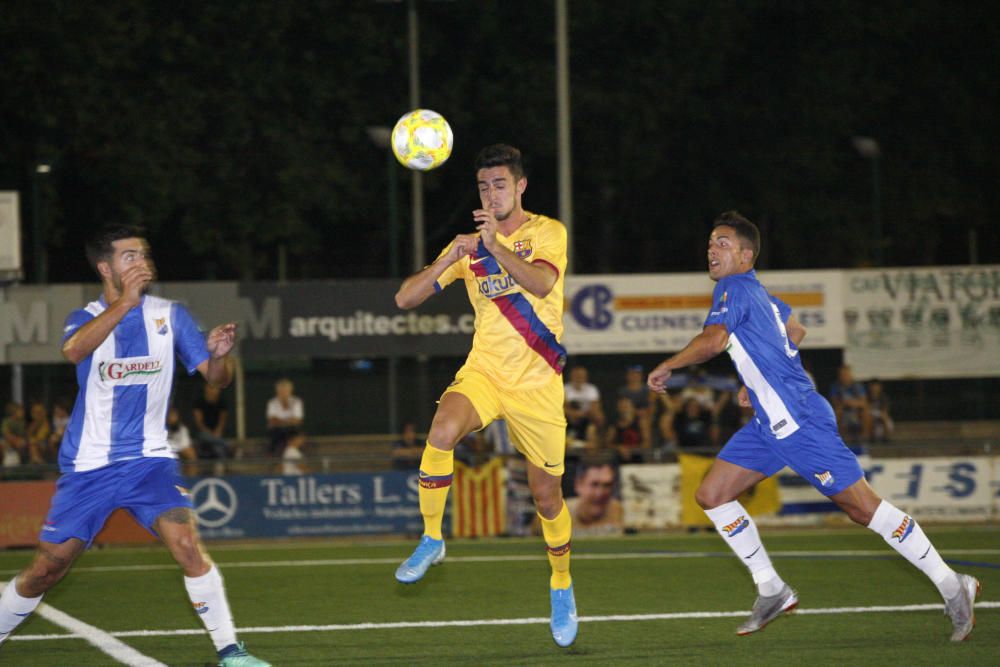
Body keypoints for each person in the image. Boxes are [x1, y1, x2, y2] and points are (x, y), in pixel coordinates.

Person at [646, 211, 979, 641]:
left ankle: (955, 587)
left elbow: (713, 341)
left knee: (864, 509)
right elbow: (796, 329)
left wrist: (668, 365)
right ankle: (772, 589)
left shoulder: (735, 287)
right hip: (770, 422)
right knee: (712, 494)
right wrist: (759, 378)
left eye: (723, 243)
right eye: (711, 242)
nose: (712, 248)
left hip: (800, 421)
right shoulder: (760, 294)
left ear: (746, 256)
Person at [0, 225, 269, 665]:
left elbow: (216, 381)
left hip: (149, 462)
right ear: (105, 268)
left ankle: (231, 652)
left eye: (143, 255)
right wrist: (124, 302)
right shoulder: (83, 316)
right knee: (48, 568)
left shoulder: (171, 316)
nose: (142, 262)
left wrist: (219, 355)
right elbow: (72, 350)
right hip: (89, 466)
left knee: (185, 543)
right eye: (130, 257)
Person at [392, 144, 578, 647]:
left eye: (499, 184)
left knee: (547, 495)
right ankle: (432, 539)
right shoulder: (472, 246)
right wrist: (449, 259)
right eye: (482, 186)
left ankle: (561, 584)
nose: (490, 193)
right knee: (442, 430)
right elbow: (405, 298)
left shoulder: (547, 232)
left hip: (537, 381)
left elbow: (540, 285)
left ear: (520, 187)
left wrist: (494, 246)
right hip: (486, 372)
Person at [566, 460, 623, 536]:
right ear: (578, 485)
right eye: (594, 484)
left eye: (607, 485)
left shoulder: (622, 513)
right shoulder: (559, 514)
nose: (600, 493)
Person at [564, 365, 604, 451]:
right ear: (572, 376)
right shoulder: (565, 389)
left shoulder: (591, 389)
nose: (579, 378)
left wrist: (581, 414)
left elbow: (595, 407)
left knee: (598, 416)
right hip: (568, 418)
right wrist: (574, 414)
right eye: (577, 375)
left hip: (586, 418)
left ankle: (593, 444)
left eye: (582, 375)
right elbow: (562, 407)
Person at [829, 364, 870, 445]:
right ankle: (840, 439)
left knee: (866, 412)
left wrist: (853, 403)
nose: (844, 377)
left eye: (846, 374)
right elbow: (834, 403)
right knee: (836, 413)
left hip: (856, 410)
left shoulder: (857, 386)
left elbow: (864, 403)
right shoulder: (835, 387)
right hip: (843, 409)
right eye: (842, 375)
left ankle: (865, 438)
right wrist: (844, 404)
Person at [265, 378, 305, 457]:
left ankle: (298, 456)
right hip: (277, 430)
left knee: (297, 434)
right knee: (274, 436)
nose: (283, 393)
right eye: (281, 390)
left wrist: (280, 421)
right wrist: (289, 420)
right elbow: (271, 421)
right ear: (277, 391)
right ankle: (273, 458)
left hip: (292, 429)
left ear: (290, 391)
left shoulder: (297, 401)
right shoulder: (272, 402)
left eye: (286, 390)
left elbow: (297, 420)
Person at [605, 396, 650, 463]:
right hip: (620, 462)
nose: (624, 409)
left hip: (638, 461)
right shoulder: (614, 426)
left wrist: (630, 450)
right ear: (618, 409)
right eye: (622, 406)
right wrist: (619, 448)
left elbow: (647, 443)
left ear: (632, 408)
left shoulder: (641, 423)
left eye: (626, 406)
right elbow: (607, 444)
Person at [193, 384, 230, 460]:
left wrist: (217, 432)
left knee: (217, 448)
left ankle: (222, 469)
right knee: (206, 437)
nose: (214, 391)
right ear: (206, 389)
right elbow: (199, 423)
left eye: (216, 388)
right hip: (203, 434)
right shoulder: (199, 402)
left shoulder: (222, 403)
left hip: (217, 434)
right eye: (212, 388)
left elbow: (222, 421)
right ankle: (226, 444)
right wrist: (210, 434)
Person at [167, 406, 198, 476]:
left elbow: (185, 445)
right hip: (165, 451)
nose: (172, 418)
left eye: (174, 416)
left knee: (190, 453)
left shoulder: (182, 429)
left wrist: (177, 449)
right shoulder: (162, 429)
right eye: (170, 416)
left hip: (178, 450)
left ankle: (191, 478)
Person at [25, 401, 53, 465]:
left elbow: (41, 437)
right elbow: (28, 435)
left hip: (45, 444)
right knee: (32, 446)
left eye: (39, 412)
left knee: (33, 444)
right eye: (34, 412)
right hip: (33, 446)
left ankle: (40, 465)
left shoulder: (47, 423)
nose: (36, 414)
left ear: (43, 413)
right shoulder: (32, 424)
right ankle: (38, 462)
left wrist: (33, 440)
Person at [1, 402, 27, 468]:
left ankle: (21, 467)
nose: (22, 413)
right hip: (8, 441)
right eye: (20, 411)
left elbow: (23, 435)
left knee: (22, 443)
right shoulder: (7, 421)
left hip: (19, 442)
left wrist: (18, 440)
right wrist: (14, 440)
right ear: (14, 413)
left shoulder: (22, 422)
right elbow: (6, 434)